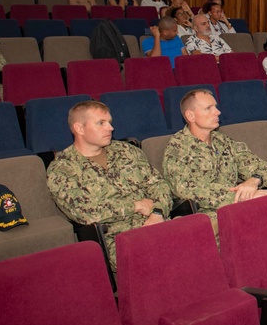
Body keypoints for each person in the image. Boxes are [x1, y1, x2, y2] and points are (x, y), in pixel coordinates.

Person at [46, 100, 173, 270]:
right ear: (79, 128)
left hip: (158, 223)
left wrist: (158, 212)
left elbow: (159, 185)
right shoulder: (63, 168)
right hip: (118, 239)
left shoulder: (127, 151)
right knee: (162, 258)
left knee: (202, 238)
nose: (110, 128)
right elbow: (84, 212)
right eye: (101, 123)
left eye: (110, 122)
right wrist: (135, 206)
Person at [163, 89, 267, 216]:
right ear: (190, 116)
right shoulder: (177, 148)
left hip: (239, 205)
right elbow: (185, 190)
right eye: (208, 108)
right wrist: (242, 196)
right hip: (209, 214)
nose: (218, 112)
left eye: (215, 107)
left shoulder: (223, 141)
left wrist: (254, 180)